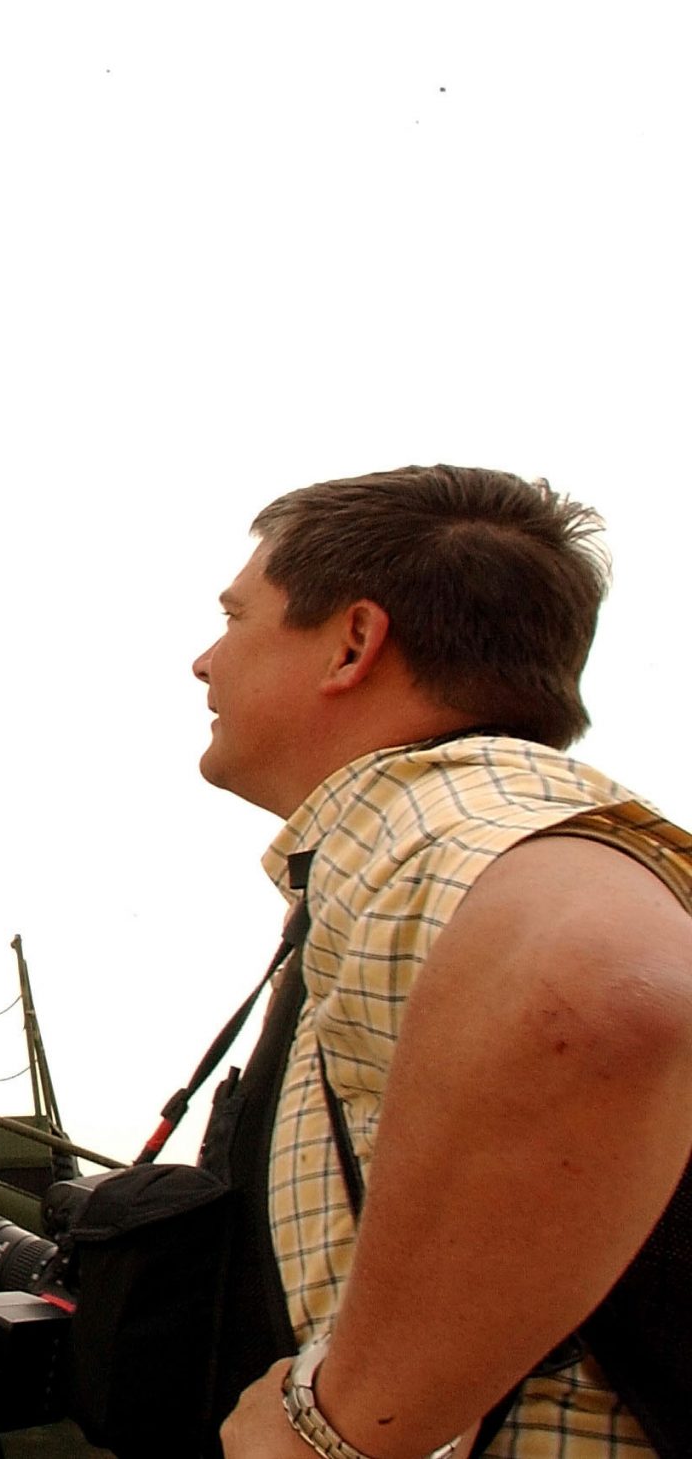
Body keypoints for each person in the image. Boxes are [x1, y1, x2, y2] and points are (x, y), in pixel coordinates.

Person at [194, 466, 692, 1457]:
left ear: (353, 643)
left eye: (236, 616)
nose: (203, 662)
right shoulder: (492, 827)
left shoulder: (429, 814)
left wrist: (340, 1424)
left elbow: (605, 991)